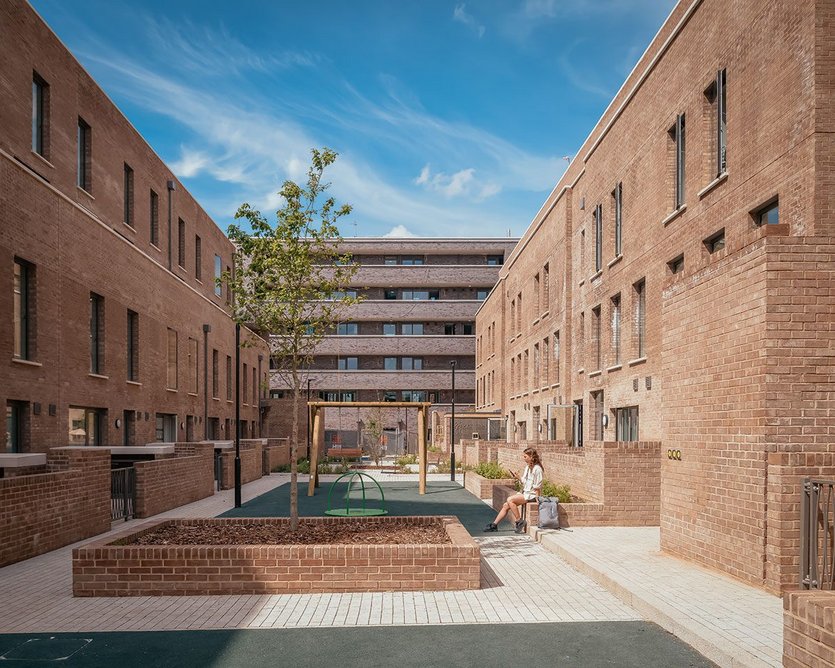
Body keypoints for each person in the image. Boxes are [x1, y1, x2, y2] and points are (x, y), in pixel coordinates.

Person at [483, 447, 543, 533]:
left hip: (532, 495)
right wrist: (518, 477)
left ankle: (519, 521)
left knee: (510, 499)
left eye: (525, 456)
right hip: (525, 493)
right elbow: (525, 482)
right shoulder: (528, 467)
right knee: (505, 505)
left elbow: (537, 486)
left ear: (531, 457)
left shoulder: (537, 469)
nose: (524, 458)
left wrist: (538, 500)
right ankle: (494, 525)